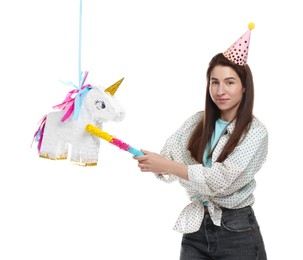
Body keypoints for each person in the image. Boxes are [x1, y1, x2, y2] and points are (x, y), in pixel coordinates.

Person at [134, 23, 268, 260]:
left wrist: (166, 165)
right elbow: (169, 158)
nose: (220, 90)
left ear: (244, 87)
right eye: (214, 82)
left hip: (237, 231)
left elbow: (221, 180)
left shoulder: (255, 132)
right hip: (196, 228)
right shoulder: (198, 121)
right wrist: (151, 160)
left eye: (229, 82)